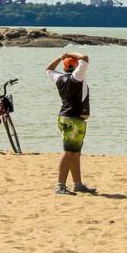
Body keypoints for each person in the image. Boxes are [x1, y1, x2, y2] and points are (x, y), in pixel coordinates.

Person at [45, 51, 96, 195]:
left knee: (75, 153)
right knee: (69, 153)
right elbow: (85, 58)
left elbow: (48, 69)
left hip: (68, 118)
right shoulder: (76, 77)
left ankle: (78, 184)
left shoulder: (59, 78)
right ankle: (60, 186)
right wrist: (69, 53)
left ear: (65, 66)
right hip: (72, 119)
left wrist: (60, 57)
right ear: (75, 65)